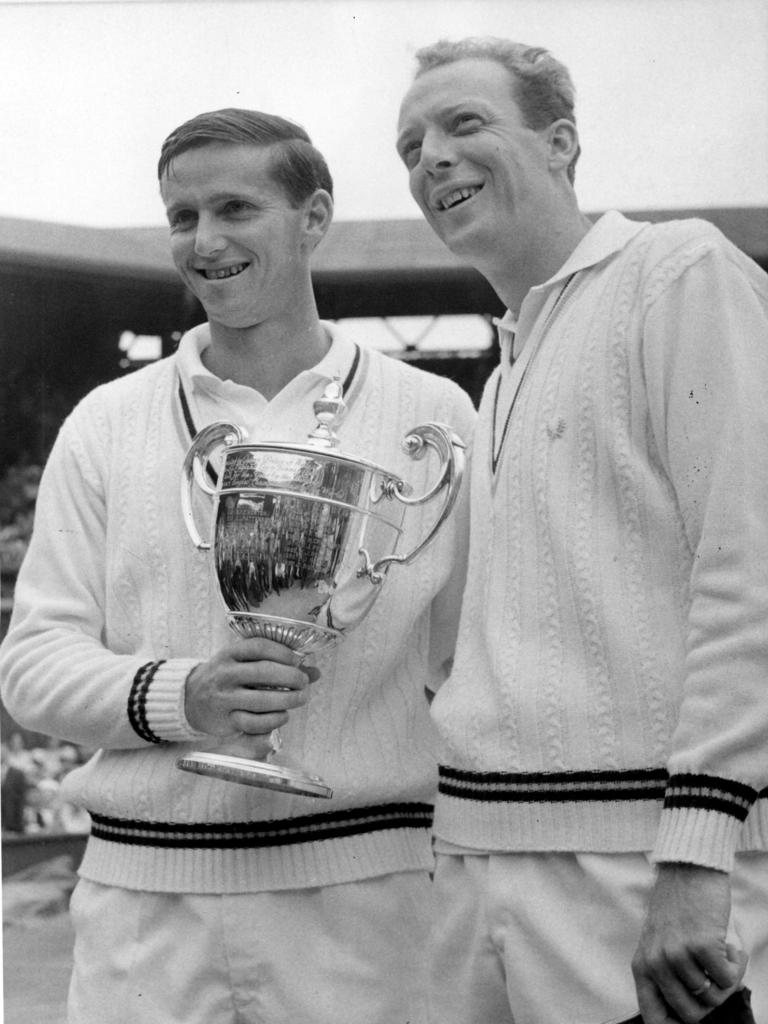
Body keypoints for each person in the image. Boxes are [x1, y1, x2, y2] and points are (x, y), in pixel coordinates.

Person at [0, 107, 475, 1024]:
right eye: (183, 217)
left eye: (235, 208)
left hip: (372, 904)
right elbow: (31, 665)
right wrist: (191, 696)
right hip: (147, 911)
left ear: (315, 217)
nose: (205, 241)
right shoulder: (106, 419)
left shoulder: (436, 416)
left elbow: (468, 667)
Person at [395, 37, 768, 1024]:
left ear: (561, 142)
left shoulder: (678, 269)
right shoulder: (505, 371)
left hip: (637, 868)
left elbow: (751, 569)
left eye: (464, 123)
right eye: (411, 144)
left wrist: (698, 856)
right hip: (481, 862)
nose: (430, 155)